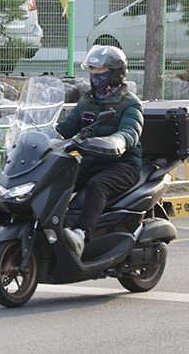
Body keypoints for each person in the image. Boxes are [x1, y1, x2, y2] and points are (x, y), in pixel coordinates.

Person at [56, 45, 143, 257]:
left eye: (101, 71)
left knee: (98, 185)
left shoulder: (130, 104)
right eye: (92, 70)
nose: (95, 76)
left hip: (123, 165)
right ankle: (53, 227)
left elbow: (130, 133)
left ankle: (81, 235)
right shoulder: (88, 100)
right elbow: (64, 129)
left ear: (115, 73)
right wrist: (37, 138)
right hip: (92, 162)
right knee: (57, 177)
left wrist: (116, 142)